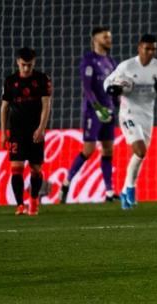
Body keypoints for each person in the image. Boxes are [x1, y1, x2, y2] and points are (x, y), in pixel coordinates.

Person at [104, 34, 157, 209]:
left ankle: (127, 189)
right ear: (139, 48)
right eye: (147, 48)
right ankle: (130, 188)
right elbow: (107, 83)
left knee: (140, 155)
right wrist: (113, 88)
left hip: (147, 117)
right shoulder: (126, 66)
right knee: (140, 150)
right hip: (128, 114)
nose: (150, 52)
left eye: (153, 49)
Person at [59, 26, 118, 204]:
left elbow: (114, 88)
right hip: (93, 112)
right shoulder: (89, 60)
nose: (109, 40)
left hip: (109, 112)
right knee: (89, 150)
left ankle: (109, 192)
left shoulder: (111, 61)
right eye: (105, 37)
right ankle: (66, 183)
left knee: (108, 149)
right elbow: (87, 87)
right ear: (95, 39)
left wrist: (118, 105)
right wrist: (97, 107)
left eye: (109, 37)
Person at [0, 47, 52, 216]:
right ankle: (20, 205)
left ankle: (34, 199)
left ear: (34, 63)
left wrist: (41, 128)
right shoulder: (10, 81)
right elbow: (4, 107)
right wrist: (3, 132)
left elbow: (46, 105)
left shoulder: (42, 79)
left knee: (36, 169)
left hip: (35, 130)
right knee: (16, 167)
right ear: (18, 62)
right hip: (16, 130)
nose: (26, 68)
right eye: (23, 65)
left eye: (29, 65)